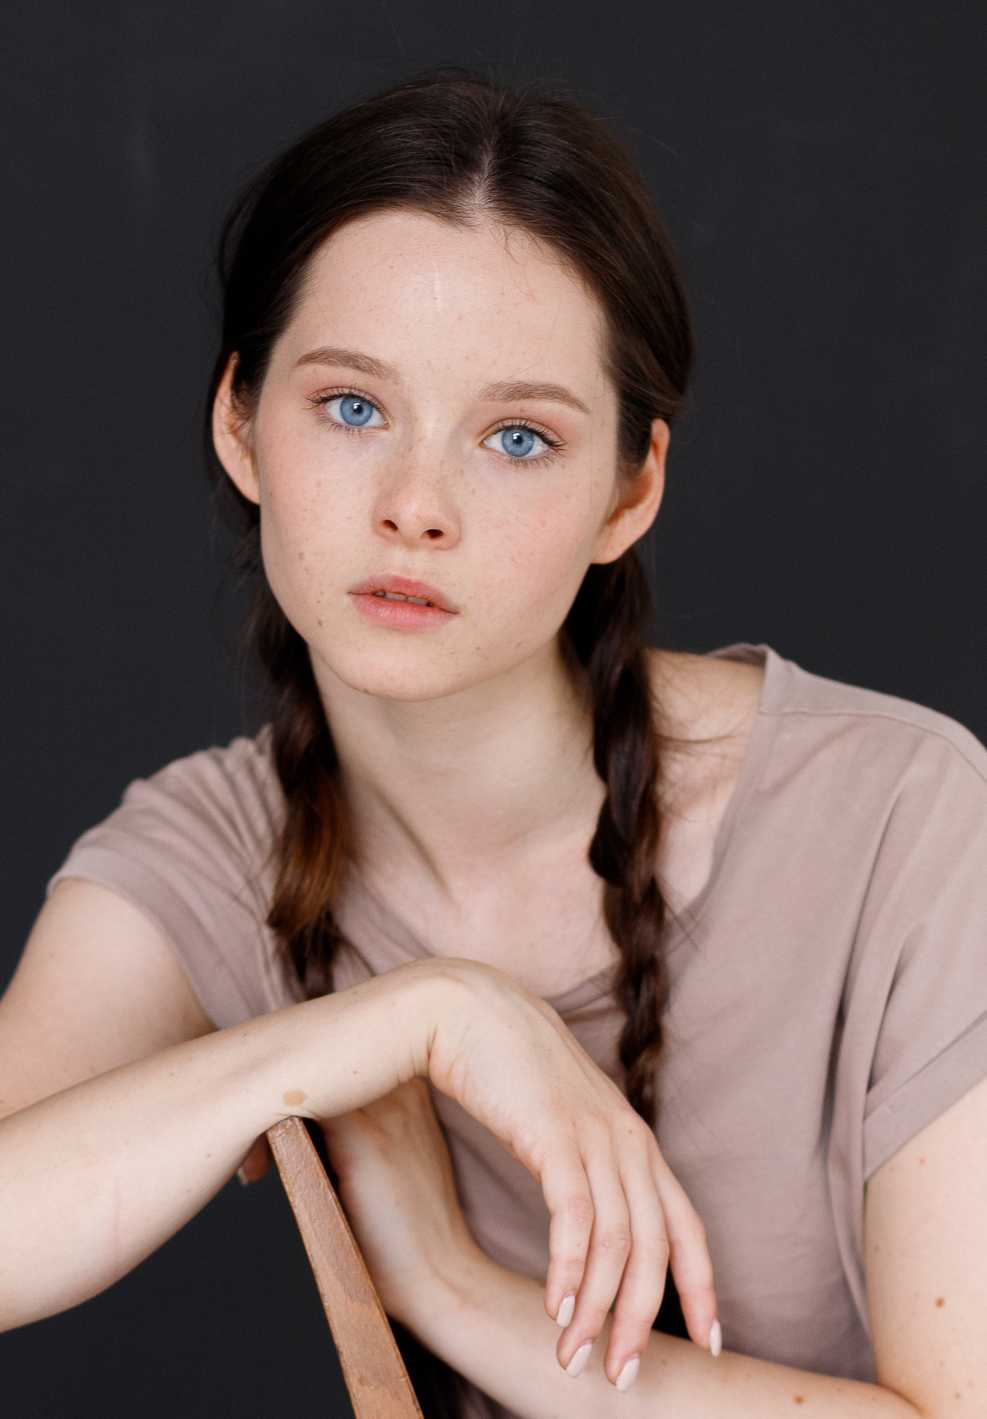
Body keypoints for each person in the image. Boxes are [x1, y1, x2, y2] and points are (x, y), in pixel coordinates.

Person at [2, 64, 985, 1419]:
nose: (417, 505)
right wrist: (421, 1015)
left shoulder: (905, 819)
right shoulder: (211, 858)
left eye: (518, 438)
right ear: (240, 422)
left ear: (629, 491)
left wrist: (452, 1288)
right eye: (352, 407)